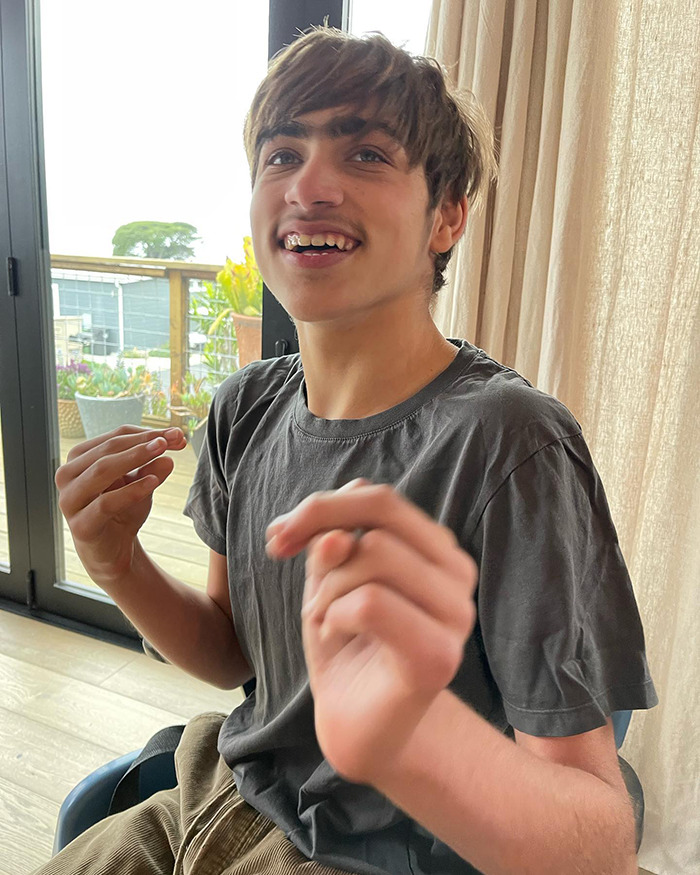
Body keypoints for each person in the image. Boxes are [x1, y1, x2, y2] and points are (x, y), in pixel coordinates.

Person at [45, 26, 656, 875]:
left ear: (448, 215)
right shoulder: (246, 407)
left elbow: (598, 846)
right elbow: (230, 654)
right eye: (281, 152)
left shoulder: (510, 443)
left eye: (366, 153)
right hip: (215, 795)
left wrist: (413, 736)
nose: (311, 185)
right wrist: (116, 562)